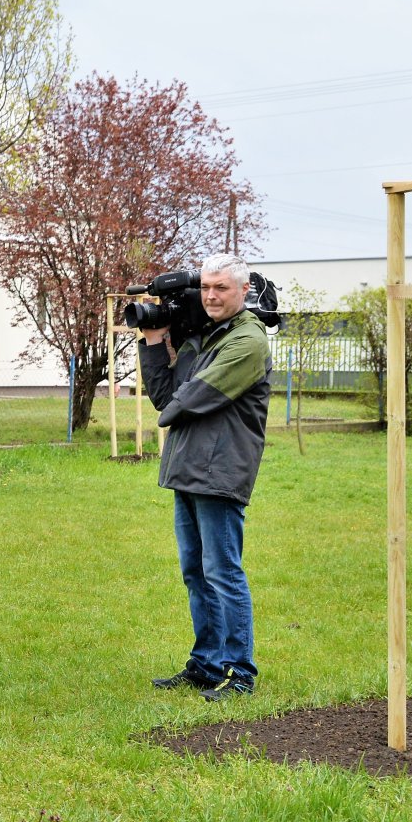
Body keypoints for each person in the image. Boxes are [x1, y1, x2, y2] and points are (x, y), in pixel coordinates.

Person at [138, 253, 273, 701]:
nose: (211, 296)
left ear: (243, 291)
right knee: (196, 572)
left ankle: (240, 672)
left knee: (223, 572)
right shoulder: (203, 334)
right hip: (189, 468)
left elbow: (190, 399)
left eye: (222, 289)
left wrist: (175, 402)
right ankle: (206, 663)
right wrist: (156, 339)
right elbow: (163, 396)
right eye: (207, 288)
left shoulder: (248, 341)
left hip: (220, 470)